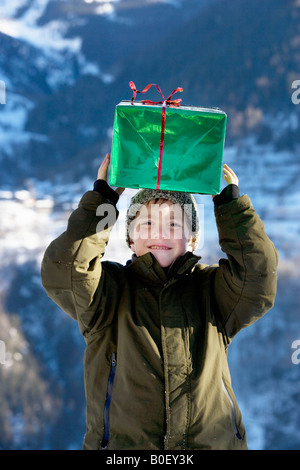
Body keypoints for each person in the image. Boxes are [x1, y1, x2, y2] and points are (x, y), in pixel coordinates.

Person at [41, 153, 278, 450]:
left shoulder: (212, 291)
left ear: (192, 239)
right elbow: (63, 271)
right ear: (130, 238)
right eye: (147, 222)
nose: (160, 232)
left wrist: (231, 207)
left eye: (175, 225)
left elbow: (258, 278)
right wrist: (103, 199)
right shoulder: (108, 292)